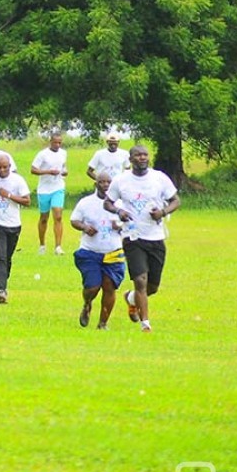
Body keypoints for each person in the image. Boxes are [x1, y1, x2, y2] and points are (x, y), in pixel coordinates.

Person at [103, 145, 181, 333]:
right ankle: (145, 323)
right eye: (138, 155)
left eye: (145, 155)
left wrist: (162, 212)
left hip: (155, 237)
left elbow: (176, 200)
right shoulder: (121, 180)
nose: (142, 158)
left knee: (152, 286)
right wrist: (119, 211)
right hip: (132, 236)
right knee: (141, 281)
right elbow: (108, 202)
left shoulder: (159, 178)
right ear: (130, 159)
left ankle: (130, 298)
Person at [70, 172, 125, 328]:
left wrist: (120, 226)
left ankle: (102, 323)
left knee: (110, 287)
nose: (106, 185)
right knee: (92, 287)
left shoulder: (120, 204)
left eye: (109, 182)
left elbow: (131, 224)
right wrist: (85, 227)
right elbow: (74, 220)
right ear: (96, 184)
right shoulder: (86, 203)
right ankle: (87, 304)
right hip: (90, 251)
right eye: (102, 182)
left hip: (113, 251)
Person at [0, 154, 31, 304]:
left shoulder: (18, 180)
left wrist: (8, 195)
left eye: (5, 167)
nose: (2, 170)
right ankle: (1, 290)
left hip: (14, 225)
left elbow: (27, 201)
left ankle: (2, 280)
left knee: (7, 258)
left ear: (10, 167)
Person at [31, 132, 68, 255]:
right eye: (55, 142)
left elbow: (64, 167)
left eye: (59, 142)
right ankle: (42, 245)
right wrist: (48, 172)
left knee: (58, 216)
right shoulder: (42, 154)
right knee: (44, 218)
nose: (57, 145)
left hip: (58, 187)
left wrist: (64, 172)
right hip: (44, 189)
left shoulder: (63, 153)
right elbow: (33, 169)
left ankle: (58, 246)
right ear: (50, 142)